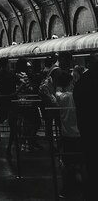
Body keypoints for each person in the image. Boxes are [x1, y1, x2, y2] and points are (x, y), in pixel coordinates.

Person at [73, 54, 98, 201]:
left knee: (91, 161)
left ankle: (92, 190)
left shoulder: (83, 81)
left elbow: (78, 101)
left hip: (88, 128)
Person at [55, 70, 81, 199]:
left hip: (66, 133)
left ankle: (66, 188)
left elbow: (57, 92)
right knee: (80, 161)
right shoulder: (75, 96)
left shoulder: (60, 97)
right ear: (70, 83)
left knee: (67, 162)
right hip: (79, 133)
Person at [0, 58, 17, 155]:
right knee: (13, 126)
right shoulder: (11, 74)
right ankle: (9, 147)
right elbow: (22, 83)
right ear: (7, 64)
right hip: (11, 100)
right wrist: (16, 92)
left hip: (1, 101)